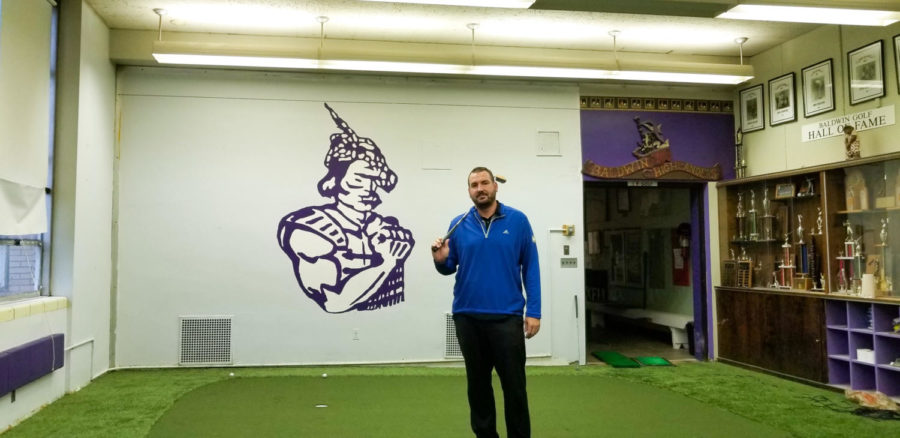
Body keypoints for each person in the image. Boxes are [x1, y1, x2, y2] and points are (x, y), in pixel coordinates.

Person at [431, 167, 541, 438]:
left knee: (514, 388)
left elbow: (531, 268)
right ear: (469, 191)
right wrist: (440, 259)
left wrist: (534, 311)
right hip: (468, 318)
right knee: (478, 387)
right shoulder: (459, 223)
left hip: (507, 318)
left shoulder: (518, 221)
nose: (479, 189)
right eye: (473, 185)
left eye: (484, 183)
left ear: (495, 186)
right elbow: (449, 268)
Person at [277, 103, 414, 313]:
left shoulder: (384, 228)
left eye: (374, 180)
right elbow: (333, 301)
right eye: (359, 179)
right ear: (335, 181)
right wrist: (387, 263)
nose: (369, 188)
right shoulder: (309, 230)